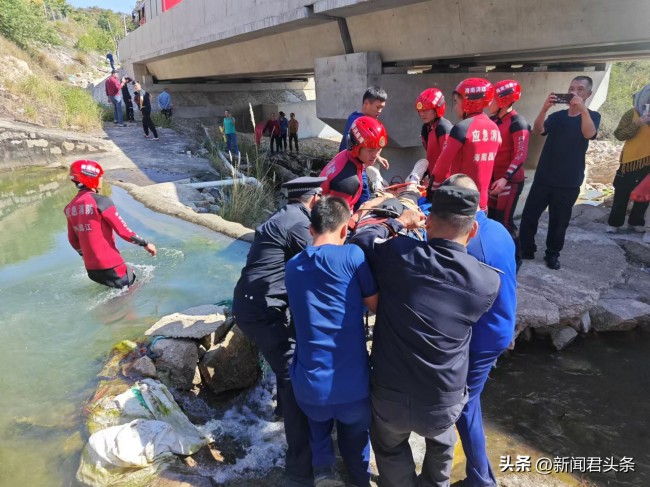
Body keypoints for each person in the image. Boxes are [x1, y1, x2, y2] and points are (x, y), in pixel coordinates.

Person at [350, 180, 500, 487]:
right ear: (472, 231)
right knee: (442, 444)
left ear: (427, 222)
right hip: (441, 400)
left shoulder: (396, 255)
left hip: (389, 394)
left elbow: (363, 238)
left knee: (390, 449)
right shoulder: (487, 282)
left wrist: (399, 222)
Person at [232, 176, 327, 487]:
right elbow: (322, 262)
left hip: (253, 305)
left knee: (288, 366)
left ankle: (282, 414)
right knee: (291, 376)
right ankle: (299, 469)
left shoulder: (285, 215)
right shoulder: (299, 224)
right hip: (263, 310)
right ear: (314, 199)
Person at [286, 196, 378, 487]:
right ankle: (359, 477)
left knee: (319, 428)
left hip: (310, 389)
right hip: (353, 387)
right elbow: (376, 306)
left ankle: (324, 470)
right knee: (356, 438)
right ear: (344, 230)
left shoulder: (292, 266)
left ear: (311, 230)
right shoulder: (353, 256)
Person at [448, 175, 517, 487]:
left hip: (484, 335)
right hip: (501, 323)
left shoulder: (469, 245)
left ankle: (481, 479)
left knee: (464, 406)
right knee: (469, 402)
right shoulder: (499, 229)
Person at [519, 76, 601, 270]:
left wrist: (582, 111)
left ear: (588, 94)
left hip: (569, 181)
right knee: (529, 216)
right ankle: (527, 249)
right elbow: (538, 130)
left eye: (580, 89)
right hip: (544, 177)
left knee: (559, 222)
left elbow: (589, 133)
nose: (575, 92)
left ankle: (552, 254)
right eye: (572, 88)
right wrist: (544, 108)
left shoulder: (593, 116)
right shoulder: (557, 117)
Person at [64, 160, 157, 288]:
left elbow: (73, 240)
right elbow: (123, 231)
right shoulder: (101, 201)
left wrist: (84, 255)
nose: (102, 179)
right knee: (134, 289)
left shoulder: (69, 207)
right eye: (100, 176)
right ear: (91, 178)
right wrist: (145, 244)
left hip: (91, 270)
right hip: (111, 265)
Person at [431, 78, 502, 211]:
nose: (456, 106)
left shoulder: (462, 128)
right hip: (482, 204)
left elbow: (442, 166)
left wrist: (432, 190)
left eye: (456, 102)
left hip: (460, 202)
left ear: (467, 103)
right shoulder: (494, 128)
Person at [487, 80, 531, 268]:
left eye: (493, 99)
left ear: (504, 101)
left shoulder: (518, 122)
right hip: (494, 180)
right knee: (492, 220)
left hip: (510, 182)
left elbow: (520, 155)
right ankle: (496, 256)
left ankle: (516, 260)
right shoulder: (494, 121)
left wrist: (505, 178)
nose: (489, 103)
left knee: (505, 222)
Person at [605, 83, 650, 236]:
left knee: (644, 195)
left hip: (649, 163)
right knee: (621, 193)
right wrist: (637, 124)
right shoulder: (631, 114)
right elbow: (619, 135)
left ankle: (636, 222)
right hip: (629, 162)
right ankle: (614, 223)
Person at [320, 116, 387, 211]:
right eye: (370, 150)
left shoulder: (345, 156)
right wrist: (369, 206)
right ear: (356, 147)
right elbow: (336, 223)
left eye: (378, 150)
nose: (375, 155)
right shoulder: (348, 182)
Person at [339, 87, 390, 208]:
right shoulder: (358, 122)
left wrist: (377, 156)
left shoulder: (355, 117)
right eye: (378, 107)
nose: (380, 111)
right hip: (353, 171)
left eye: (382, 108)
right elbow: (350, 148)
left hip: (352, 168)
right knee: (363, 205)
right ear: (366, 104)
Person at [415, 87, 452, 194]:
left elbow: (447, 161)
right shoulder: (426, 128)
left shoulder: (443, 128)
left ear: (437, 109)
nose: (422, 114)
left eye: (426, 110)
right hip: (433, 179)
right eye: (420, 111)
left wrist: (437, 184)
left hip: (444, 183)